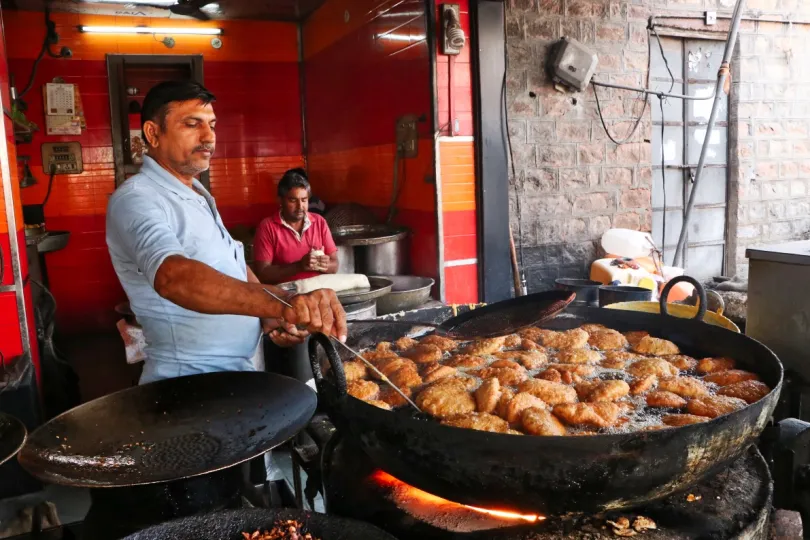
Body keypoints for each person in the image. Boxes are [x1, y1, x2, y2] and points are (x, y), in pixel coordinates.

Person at [106, 80, 346, 385]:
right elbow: (172, 277)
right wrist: (282, 301)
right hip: (192, 384)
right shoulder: (137, 198)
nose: (209, 137)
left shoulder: (196, 194)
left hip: (238, 373)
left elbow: (231, 264)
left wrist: (269, 317)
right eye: (192, 124)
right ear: (153, 134)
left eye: (212, 125)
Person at [252, 169, 338, 286]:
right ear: (280, 200)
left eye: (304, 200)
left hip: (319, 290)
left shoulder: (319, 222)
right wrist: (299, 266)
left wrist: (325, 265)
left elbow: (335, 265)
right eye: (293, 200)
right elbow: (262, 273)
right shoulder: (267, 227)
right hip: (286, 296)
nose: (300, 206)